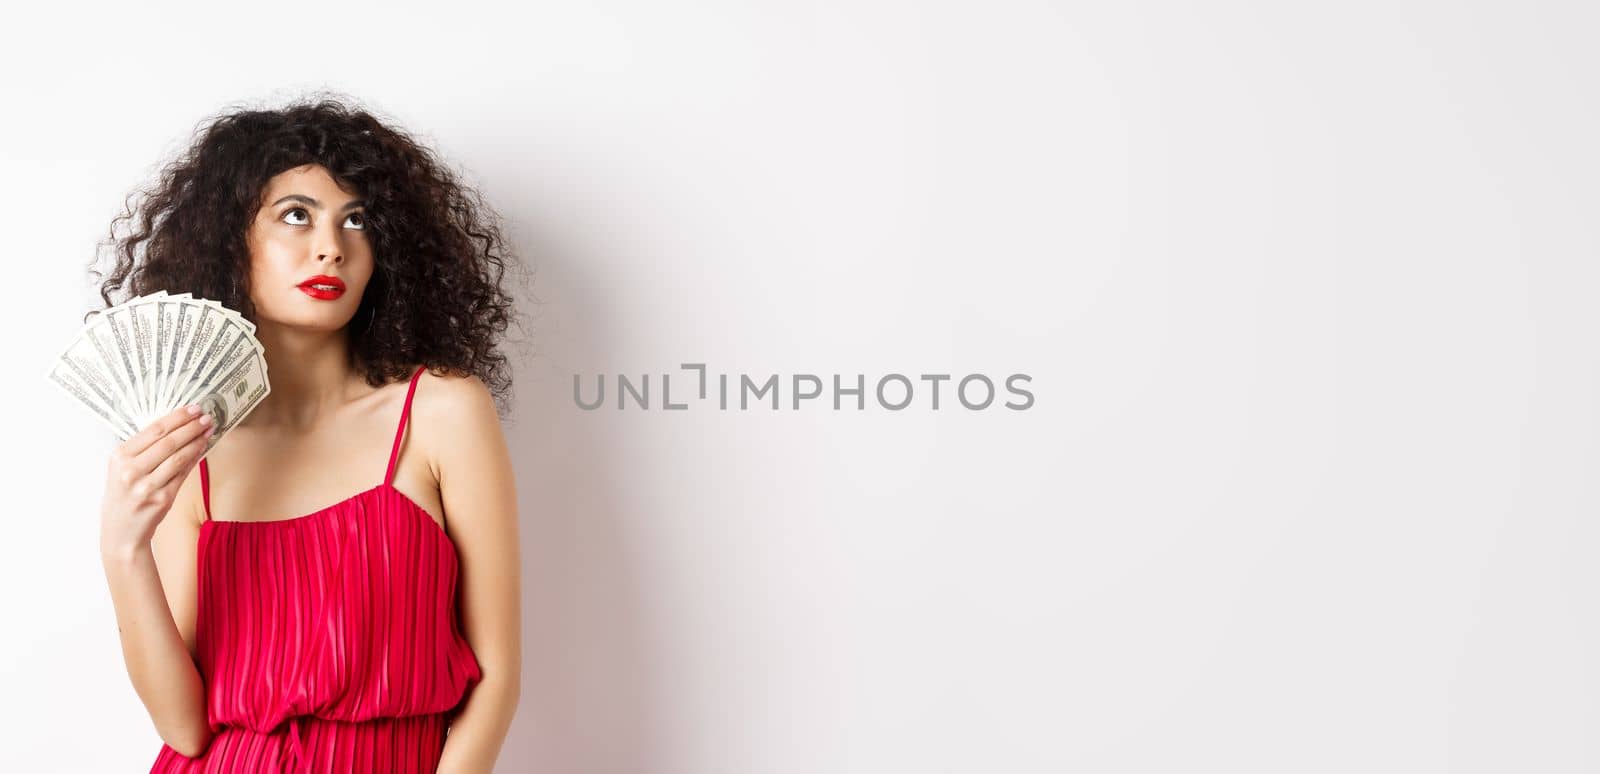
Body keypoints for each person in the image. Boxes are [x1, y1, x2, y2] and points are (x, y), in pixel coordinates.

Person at [91, 95, 525, 773]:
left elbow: (496, 680)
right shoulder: (196, 444)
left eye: (357, 221)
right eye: (297, 215)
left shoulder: (441, 411)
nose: (332, 246)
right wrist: (124, 548)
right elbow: (182, 729)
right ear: (231, 238)